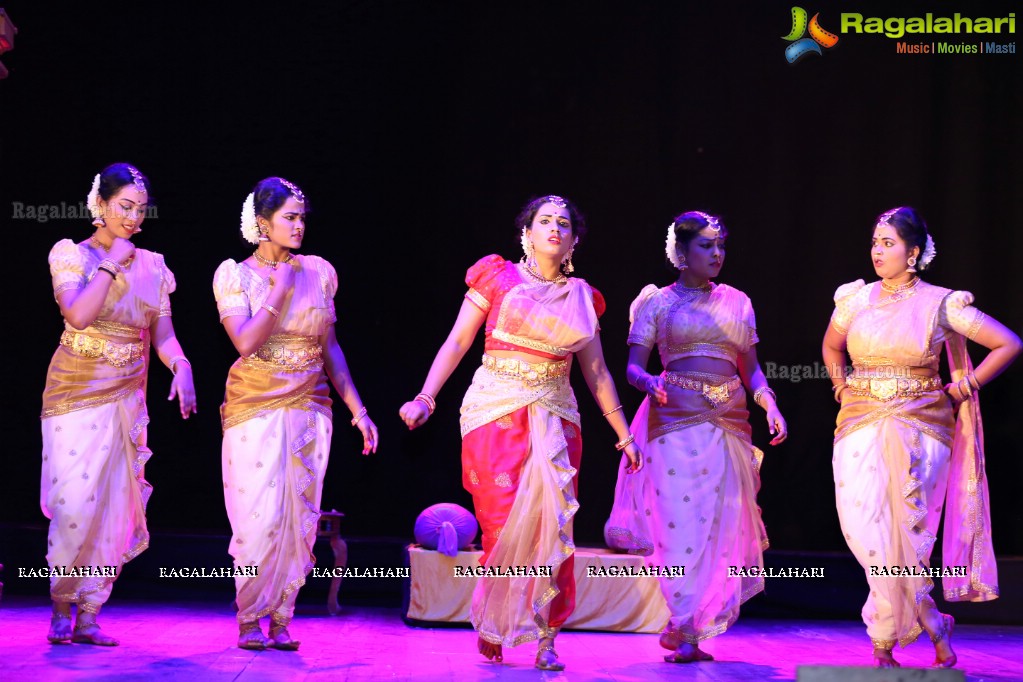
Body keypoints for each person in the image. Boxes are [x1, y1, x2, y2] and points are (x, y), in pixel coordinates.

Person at [398, 195, 642, 671]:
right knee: (504, 528)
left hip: (556, 418)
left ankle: (547, 638)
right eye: (544, 221)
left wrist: (624, 435)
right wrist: (425, 397)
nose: (554, 228)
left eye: (564, 224)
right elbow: (458, 340)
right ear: (526, 233)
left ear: (573, 241)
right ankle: (497, 619)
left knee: (553, 528)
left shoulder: (582, 298)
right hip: (495, 411)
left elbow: (597, 374)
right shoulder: (496, 276)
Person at [822, 206, 1021, 669]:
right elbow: (832, 346)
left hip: (922, 427)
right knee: (865, 530)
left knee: (908, 535)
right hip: (857, 423)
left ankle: (884, 640)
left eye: (888, 243)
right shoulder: (856, 300)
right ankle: (931, 618)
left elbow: (1008, 343)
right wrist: (838, 383)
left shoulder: (941, 303)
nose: (877, 250)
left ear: (913, 253)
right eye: (874, 241)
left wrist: (963, 386)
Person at [604, 210, 786, 663]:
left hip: (728, 423)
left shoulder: (738, 302)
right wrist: (648, 382)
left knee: (718, 528)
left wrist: (770, 403)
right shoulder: (657, 304)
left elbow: (752, 368)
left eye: (721, 245)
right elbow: (631, 367)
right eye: (706, 245)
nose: (717, 253)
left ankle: (690, 629)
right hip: (672, 422)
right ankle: (683, 621)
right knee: (679, 527)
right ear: (681, 254)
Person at [213, 177, 378, 650]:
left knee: (298, 517)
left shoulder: (320, 271)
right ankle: (249, 618)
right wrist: (279, 290)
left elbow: (330, 348)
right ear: (262, 223)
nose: (300, 225)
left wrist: (358, 410)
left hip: (311, 405)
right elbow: (245, 341)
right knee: (256, 517)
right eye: (289, 217)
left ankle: (282, 617)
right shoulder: (234, 275)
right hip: (254, 405)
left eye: (303, 216)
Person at [42, 163, 196, 645]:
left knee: (113, 509)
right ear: (100, 205)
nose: (132, 217)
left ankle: (90, 612)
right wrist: (112, 263)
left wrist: (181, 365)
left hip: (127, 397)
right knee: (75, 506)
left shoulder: (154, 265)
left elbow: (163, 335)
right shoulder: (72, 255)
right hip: (74, 394)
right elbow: (79, 315)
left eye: (139, 209)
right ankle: (61, 606)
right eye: (123, 207)